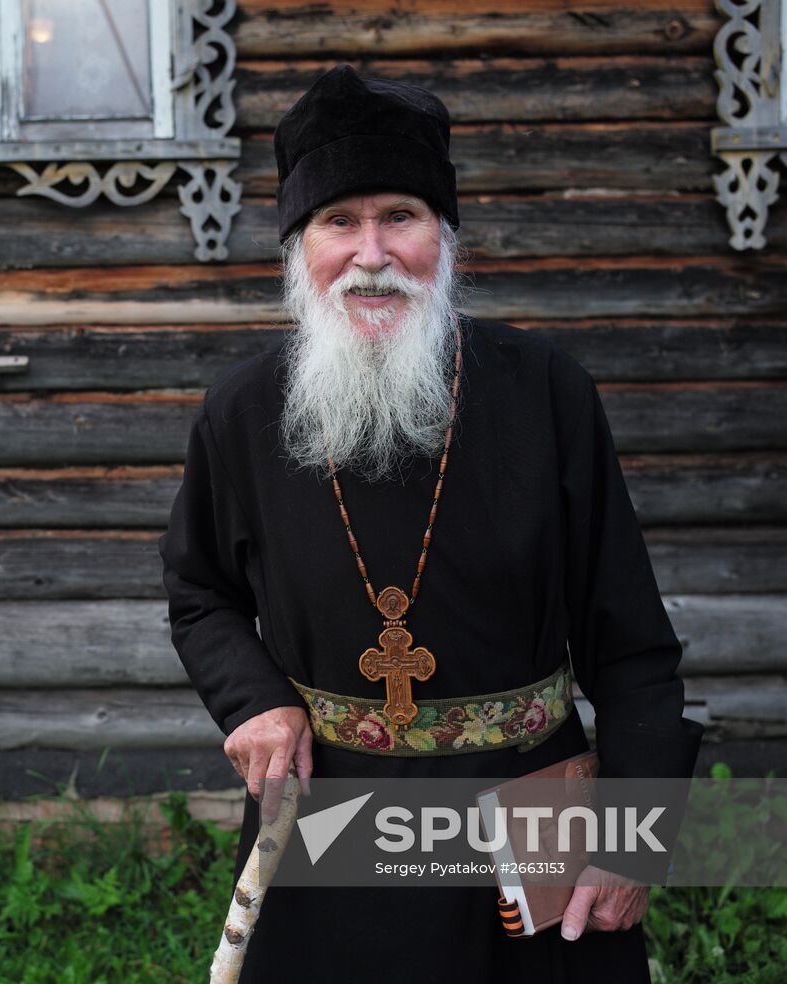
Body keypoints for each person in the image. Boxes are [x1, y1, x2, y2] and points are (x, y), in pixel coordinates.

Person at [158, 65, 704, 981]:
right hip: (331, 818)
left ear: (443, 236)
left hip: (540, 811)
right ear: (300, 246)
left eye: (400, 216)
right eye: (339, 221)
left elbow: (633, 643)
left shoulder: (546, 393)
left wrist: (634, 837)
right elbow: (200, 591)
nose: (372, 253)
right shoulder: (242, 411)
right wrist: (252, 699)